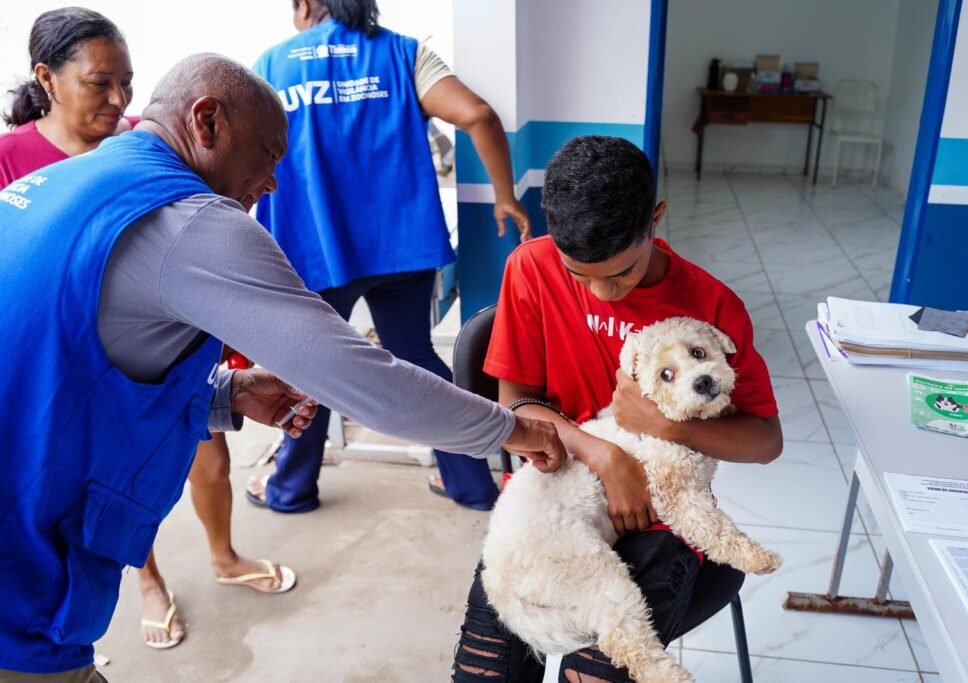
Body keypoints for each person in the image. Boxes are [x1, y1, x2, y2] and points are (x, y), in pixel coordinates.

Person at [0, 53, 565, 681]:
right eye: (269, 154)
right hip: (17, 566)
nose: (272, 182)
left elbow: (70, 359)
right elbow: (366, 380)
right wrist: (524, 432)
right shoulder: (191, 220)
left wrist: (223, 392)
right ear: (206, 121)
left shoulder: (68, 179)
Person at [0, 8, 296, 654]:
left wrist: (224, 388)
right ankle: (149, 582)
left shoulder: (145, 148)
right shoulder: (14, 160)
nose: (118, 100)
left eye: (128, 84)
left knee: (201, 455)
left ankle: (222, 553)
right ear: (47, 78)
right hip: (69, 379)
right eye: (100, 83)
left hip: (168, 354)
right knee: (97, 495)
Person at [451, 136, 783, 682]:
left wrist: (660, 425)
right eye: (580, 274)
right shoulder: (531, 269)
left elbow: (766, 440)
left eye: (622, 273)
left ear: (656, 219)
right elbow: (515, 403)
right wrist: (605, 456)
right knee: (486, 664)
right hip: (558, 500)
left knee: (602, 667)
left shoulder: (712, 305)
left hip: (662, 514)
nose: (603, 292)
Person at [246, 0, 531, 514]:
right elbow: (478, 115)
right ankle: (470, 484)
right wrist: (505, 196)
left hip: (312, 252)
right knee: (416, 359)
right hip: (402, 245)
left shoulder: (270, 66)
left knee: (311, 370)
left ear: (307, 4)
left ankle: (291, 490)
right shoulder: (403, 54)